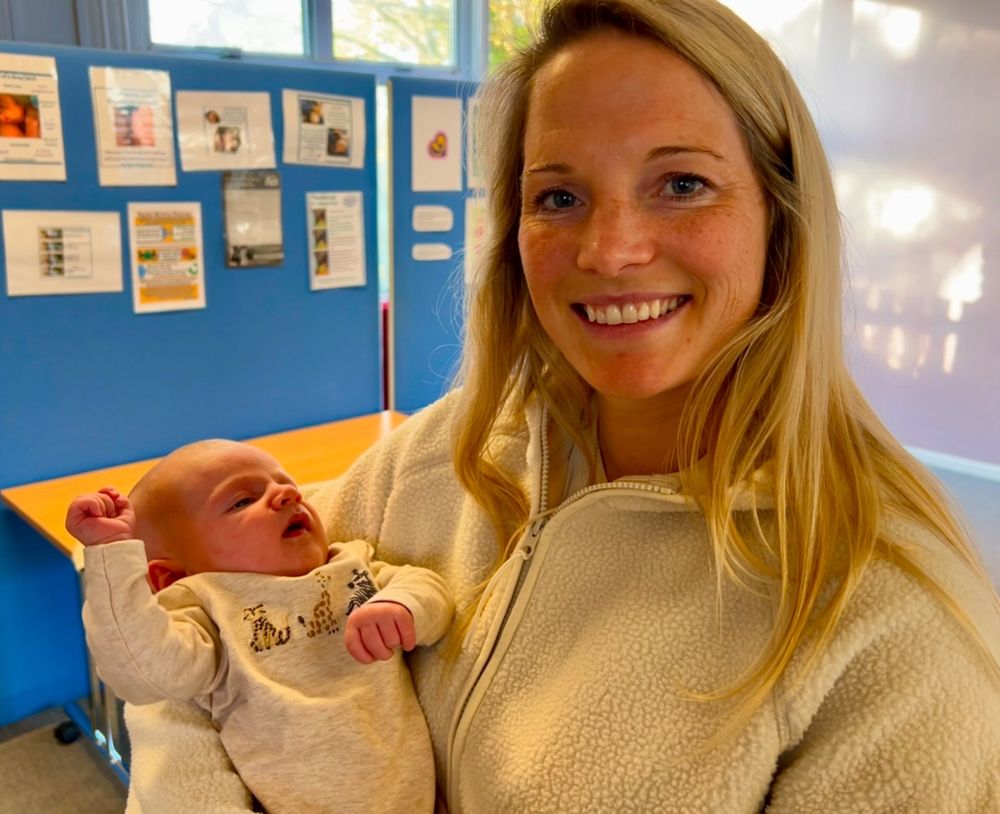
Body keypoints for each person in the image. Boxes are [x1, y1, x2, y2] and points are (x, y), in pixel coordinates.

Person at [121, 1, 1000, 812]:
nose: (611, 249)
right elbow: (211, 630)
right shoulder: (436, 455)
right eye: (559, 197)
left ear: (782, 214)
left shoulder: (893, 619)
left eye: (683, 183)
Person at [66, 440, 453, 814]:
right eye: (242, 501)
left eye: (285, 483)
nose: (286, 495)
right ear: (170, 576)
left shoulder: (349, 563)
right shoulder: (205, 608)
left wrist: (401, 605)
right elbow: (142, 672)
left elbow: (428, 586)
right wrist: (113, 557)